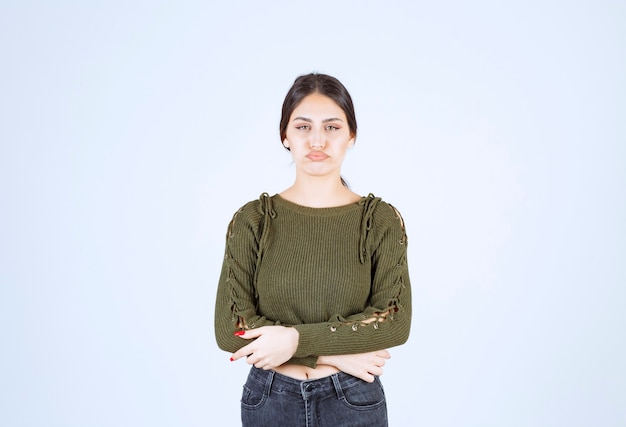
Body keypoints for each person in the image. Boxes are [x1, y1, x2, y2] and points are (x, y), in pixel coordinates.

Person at [214, 72, 412, 427]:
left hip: (353, 400)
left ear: (351, 135)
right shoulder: (253, 221)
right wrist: (330, 355)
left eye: (332, 127)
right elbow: (232, 329)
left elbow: (392, 322)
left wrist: (292, 340)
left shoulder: (379, 219)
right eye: (303, 127)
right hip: (270, 400)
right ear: (285, 136)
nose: (317, 140)